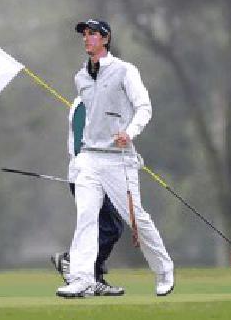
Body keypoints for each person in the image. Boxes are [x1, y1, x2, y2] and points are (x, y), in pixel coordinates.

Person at [56, 18, 174, 298]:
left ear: (106, 39)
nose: (87, 38)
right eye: (84, 34)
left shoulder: (124, 71)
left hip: (118, 158)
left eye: (93, 34)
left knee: (136, 219)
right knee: (86, 217)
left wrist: (129, 133)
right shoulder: (80, 77)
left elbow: (144, 107)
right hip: (90, 158)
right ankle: (82, 278)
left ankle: (163, 269)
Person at [49, 94, 126, 296]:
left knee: (110, 227)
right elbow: (79, 147)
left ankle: (92, 277)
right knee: (110, 227)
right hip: (87, 176)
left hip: (100, 175)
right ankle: (76, 266)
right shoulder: (84, 104)